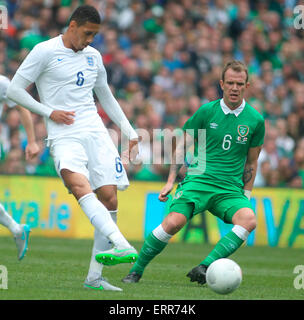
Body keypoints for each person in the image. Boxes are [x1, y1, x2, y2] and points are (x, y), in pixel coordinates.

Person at [7, 5, 139, 291]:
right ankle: (120, 243)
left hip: (95, 132)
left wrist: (129, 131)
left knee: (110, 199)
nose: (90, 40)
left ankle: (94, 278)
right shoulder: (44, 51)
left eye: (95, 35)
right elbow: (14, 90)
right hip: (64, 135)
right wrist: (48, 112)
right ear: (72, 26)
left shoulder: (93, 56)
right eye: (87, 33)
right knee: (79, 186)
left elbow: (106, 96)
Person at [122, 60, 265, 284]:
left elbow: (252, 162)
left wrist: (245, 196)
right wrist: (171, 181)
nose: (235, 88)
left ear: (247, 85)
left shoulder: (255, 120)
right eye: (230, 83)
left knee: (248, 220)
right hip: (199, 181)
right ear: (222, 84)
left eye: (239, 83)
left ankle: (204, 266)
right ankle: (136, 271)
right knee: (173, 223)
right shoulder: (207, 111)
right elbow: (182, 145)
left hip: (229, 189)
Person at [0, 74, 40, 260]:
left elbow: (23, 106)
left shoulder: (2, 83)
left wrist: (31, 141)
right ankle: (16, 229)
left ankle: (16, 229)